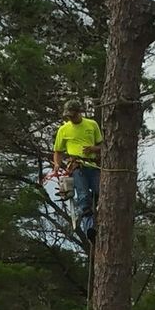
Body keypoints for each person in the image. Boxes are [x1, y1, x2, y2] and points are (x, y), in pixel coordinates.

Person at [51, 99, 102, 241]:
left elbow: (102, 145)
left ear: (79, 112)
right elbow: (58, 151)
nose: (71, 119)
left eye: (73, 115)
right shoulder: (64, 130)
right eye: (68, 116)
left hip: (93, 166)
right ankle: (89, 228)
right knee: (83, 196)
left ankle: (97, 219)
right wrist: (57, 164)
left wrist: (93, 149)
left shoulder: (92, 125)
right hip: (76, 166)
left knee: (100, 192)